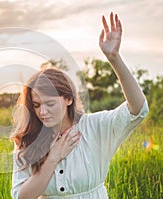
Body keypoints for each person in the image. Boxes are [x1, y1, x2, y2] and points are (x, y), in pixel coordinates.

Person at [10, 12, 149, 199]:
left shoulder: (96, 126)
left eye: (50, 103)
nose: (42, 112)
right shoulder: (29, 139)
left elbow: (138, 110)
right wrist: (52, 158)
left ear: (68, 99)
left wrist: (114, 58)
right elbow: (21, 196)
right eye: (36, 105)